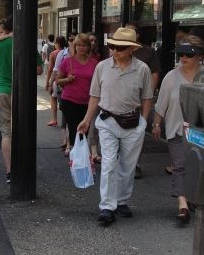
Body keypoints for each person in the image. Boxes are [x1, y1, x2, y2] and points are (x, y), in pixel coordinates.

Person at [78, 27, 153, 225]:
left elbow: (147, 97)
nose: (115, 51)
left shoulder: (142, 69)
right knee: (109, 164)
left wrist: (144, 121)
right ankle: (107, 206)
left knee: (128, 166)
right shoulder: (102, 67)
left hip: (133, 122)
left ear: (131, 49)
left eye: (120, 47)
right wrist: (86, 120)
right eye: (112, 46)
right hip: (108, 120)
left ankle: (121, 201)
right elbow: (94, 96)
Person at [152, 35, 204, 223]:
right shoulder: (171, 76)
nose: (183, 58)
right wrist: (157, 123)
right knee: (180, 166)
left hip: (202, 131)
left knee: (198, 167)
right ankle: (182, 204)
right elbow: (162, 103)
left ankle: (192, 197)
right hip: (177, 128)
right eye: (181, 54)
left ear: (200, 56)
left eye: (188, 55)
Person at [0, 16, 43, 183]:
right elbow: (39, 70)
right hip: (23, 92)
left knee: (7, 132)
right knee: (24, 129)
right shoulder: (25, 43)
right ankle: (25, 168)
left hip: (4, 91)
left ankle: (10, 172)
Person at [125, 24, 162, 179]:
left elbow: (155, 73)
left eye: (130, 31)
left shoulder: (148, 52)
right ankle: (122, 162)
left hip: (141, 98)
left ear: (137, 35)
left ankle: (136, 164)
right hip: (123, 98)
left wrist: (149, 92)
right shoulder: (119, 50)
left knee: (138, 130)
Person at [56, 34, 97, 156]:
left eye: (84, 45)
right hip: (69, 99)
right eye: (78, 45)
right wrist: (67, 80)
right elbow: (58, 80)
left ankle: (79, 152)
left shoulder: (94, 63)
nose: (81, 48)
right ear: (74, 46)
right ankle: (77, 154)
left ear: (89, 47)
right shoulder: (67, 61)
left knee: (85, 127)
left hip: (87, 100)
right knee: (74, 127)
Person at [44, 36, 66, 127]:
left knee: (53, 98)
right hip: (65, 79)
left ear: (57, 44)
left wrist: (48, 82)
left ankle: (54, 119)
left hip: (56, 79)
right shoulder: (67, 52)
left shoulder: (53, 54)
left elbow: (50, 69)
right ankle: (65, 121)